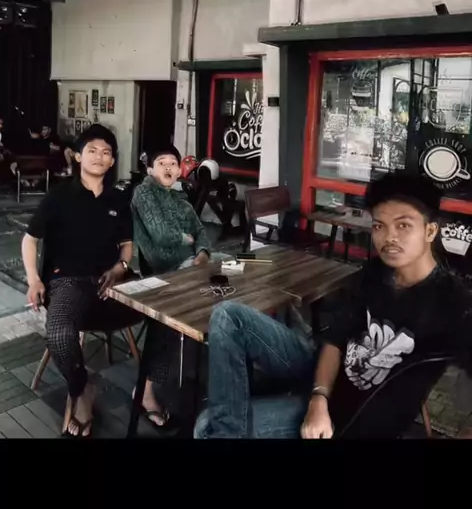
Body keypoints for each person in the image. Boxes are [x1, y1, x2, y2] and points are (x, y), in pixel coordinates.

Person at [194, 171, 472, 439]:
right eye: (379, 225)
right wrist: (319, 396)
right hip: (320, 379)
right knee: (228, 315)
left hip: (346, 416)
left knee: (207, 426)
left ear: (430, 231)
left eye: (403, 225)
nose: (389, 237)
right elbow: (336, 338)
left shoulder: (453, 302)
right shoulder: (376, 273)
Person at [21, 125, 138, 439]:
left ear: (112, 161)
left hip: (110, 284)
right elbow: (30, 240)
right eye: (92, 150)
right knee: (60, 334)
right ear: (77, 156)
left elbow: (127, 246)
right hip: (68, 283)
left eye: (106, 152)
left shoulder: (118, 199)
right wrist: (34, 280)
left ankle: (151, 392)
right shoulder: (59, 196)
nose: (99, 156)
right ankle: (81, 388)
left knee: (164, 312)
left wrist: (120, 268)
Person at [131, 144, 232, 428]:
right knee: (218, 290)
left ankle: (223, 367)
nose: (168, 167)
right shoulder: (144, 192)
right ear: (149, 169)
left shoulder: (181, 199)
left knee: (239, 269)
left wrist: (202, 253)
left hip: (191, 264)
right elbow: (161, 235)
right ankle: (147, 392)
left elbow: (200, 232)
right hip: (164, 274)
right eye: (161, 162)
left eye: (173, 163)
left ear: (180, 170)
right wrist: (187, 240)